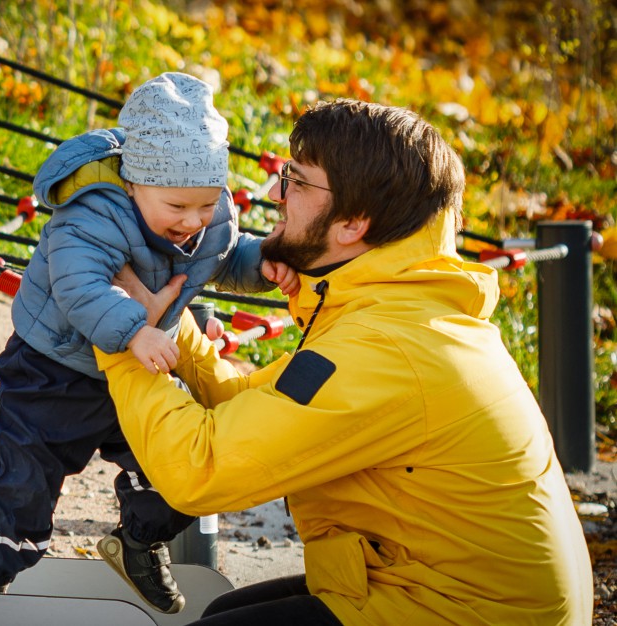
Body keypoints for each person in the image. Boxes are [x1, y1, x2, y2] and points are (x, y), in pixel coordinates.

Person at [96, 99, 593, 625]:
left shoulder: (390, 347)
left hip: (471, 613)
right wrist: (173, 322)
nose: (275, 193)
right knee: (223, 611)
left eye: (297, 181)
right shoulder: (397, 308)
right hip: (439, 588)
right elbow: (253, 410)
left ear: (354, 223)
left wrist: (123, 332)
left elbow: (202, 472)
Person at [0, 72, 298, 614]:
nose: (193, 222)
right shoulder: (92, 213)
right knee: (19, 487)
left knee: (178, 469)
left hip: (134, 379)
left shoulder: (205, 214)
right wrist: (133, 330)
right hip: (53, 371)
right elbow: (78, 284)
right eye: (178, 208)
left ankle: (137, 541)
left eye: (206, 205)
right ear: (135, 184)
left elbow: (227, 255)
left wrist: (266, 266)